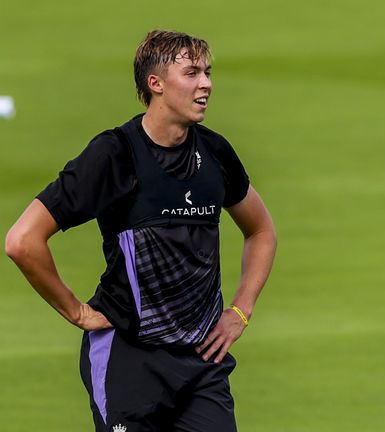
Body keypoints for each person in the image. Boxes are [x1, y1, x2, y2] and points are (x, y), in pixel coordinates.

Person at [5, 30, 277, 431]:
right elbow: (22, 240)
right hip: (128, 361)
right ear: (156, 84)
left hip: (202, 364)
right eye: (191, 73)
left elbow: (261, 231)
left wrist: (241, 309)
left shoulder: (215, 153)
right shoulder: (114, 155)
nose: (206, 84)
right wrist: (76, 311)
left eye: (207, 72)